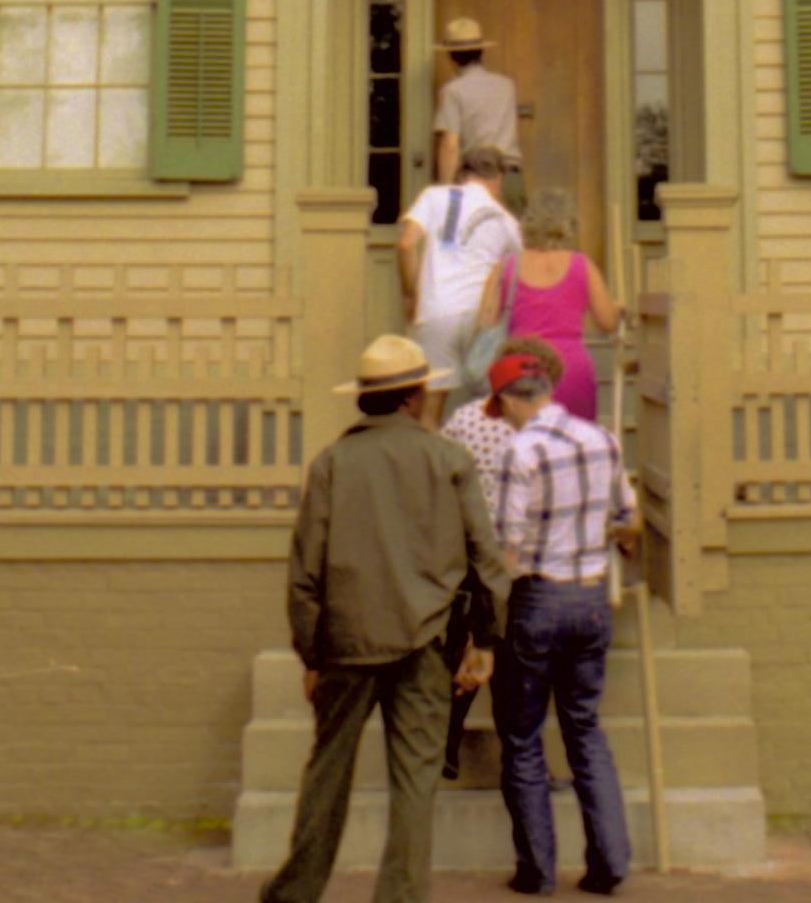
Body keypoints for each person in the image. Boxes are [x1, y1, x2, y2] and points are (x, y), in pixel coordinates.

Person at [263, 334, 506, 903]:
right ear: (414, 396)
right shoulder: (448, 460)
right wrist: (485, 640)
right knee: (415, 784)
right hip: (425, 641)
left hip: (346, 643)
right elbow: (485, 557)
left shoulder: (331, 464)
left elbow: (305, 571)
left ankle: (295, 892)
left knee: (326, 774)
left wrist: (311, 652)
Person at [490, 353, 641, 897]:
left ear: (511, 397)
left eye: (501, 407)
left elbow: (509, 546)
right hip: (592, 596)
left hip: (538, 598)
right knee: (584, 726)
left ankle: (537, 870)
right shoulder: (602, 439)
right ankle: (610, 861)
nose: (503, 418)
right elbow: (629, 521)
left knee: (523, 734)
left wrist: (491, 614)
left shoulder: (519, 450)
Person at [437, 334, 564, 781]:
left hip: (469, 550)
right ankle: (526, 765)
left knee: (472, 647)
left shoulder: (463, 418)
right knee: (514, 667)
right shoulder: (548, 431)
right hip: (521, 559)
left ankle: (446, 741)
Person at [399, 137, 520, 407]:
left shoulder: (434, 197)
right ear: (497, 178)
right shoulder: (507, 221)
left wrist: (411, 295)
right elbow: (516, 273)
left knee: (430, 410)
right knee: (493, 408)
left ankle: (433, 449)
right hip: (482, 317)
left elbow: (406, 243)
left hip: (436, 311)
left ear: (463, 173)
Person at [507, 189, 625, 424]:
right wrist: (618, 308)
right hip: (570, 367)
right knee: (576, 443)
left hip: (520, 367)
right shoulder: (581, 265)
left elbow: (485, 322)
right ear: (569, 224)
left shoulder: (508, 266)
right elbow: (607, 322)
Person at [431, 16, 519, 190]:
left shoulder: (453, 91)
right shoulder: (506, 86)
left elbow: (450, 145)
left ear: (452, 56)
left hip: (477, 180)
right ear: (481, 51)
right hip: (510, 176)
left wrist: (446, 190)